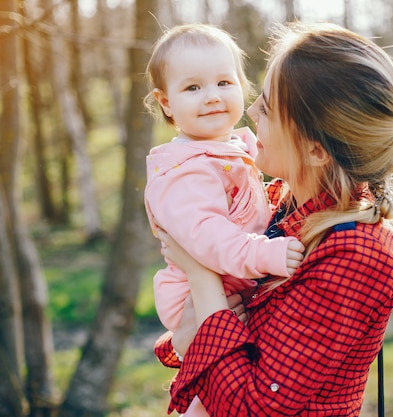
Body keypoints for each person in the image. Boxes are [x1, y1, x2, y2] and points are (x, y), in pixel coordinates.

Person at [154, 21, 393, 417]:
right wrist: (189, 334)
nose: (252, 111)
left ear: (315, 151)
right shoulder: (282, 202)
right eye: (259, 96)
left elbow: (251, 409)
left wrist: (199, 271)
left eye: (269, 108)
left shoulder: (356, 255)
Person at [143, 24, 306, 417]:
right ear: (166, 103)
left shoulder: (232, 147)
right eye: (193, 88)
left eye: (223, 82)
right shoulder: (185, 171)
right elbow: (208, 239)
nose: (213, 97)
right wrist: (266, 254)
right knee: (213, 398)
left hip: (230, 284)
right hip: (197, 293)